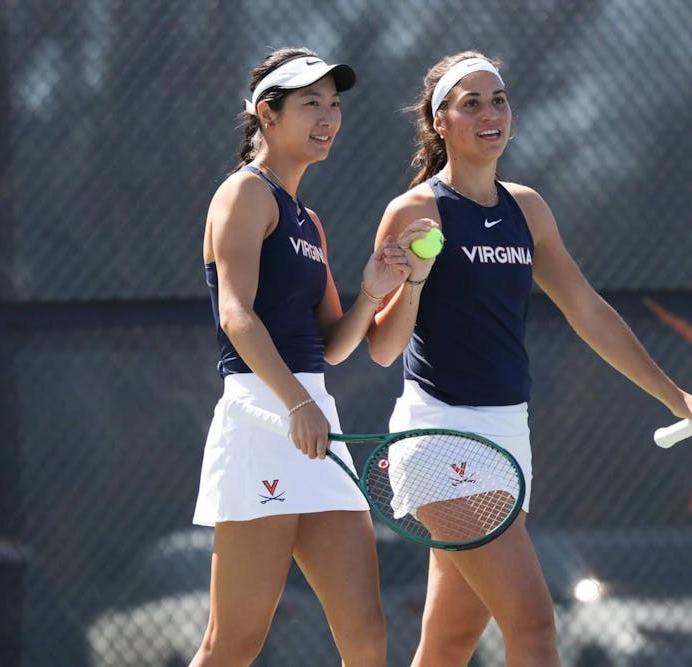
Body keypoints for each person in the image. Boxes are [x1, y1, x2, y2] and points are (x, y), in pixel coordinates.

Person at [365, 51, 692, 667]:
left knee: (448, 643)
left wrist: (676, 397)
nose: (489, 113)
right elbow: (382, 348)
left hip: (509, 439)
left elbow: (588, 312)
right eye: (470, 103)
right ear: (440, 122)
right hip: (439, 438)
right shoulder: (416, 211)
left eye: (498, 99)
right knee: (532, 625)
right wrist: (417, 280)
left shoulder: (527, 211)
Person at [189, 47, 429, 667]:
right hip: (261, 417)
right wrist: (295, 402)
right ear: (267, 115)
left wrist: (375, 290)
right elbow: (235, 314)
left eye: (333, 104)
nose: (327, 117)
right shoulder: (244, 193)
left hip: (313, 417)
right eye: (309, 104)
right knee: (234, 643)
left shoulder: (309, 222)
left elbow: (334, 346)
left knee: (366, 632)